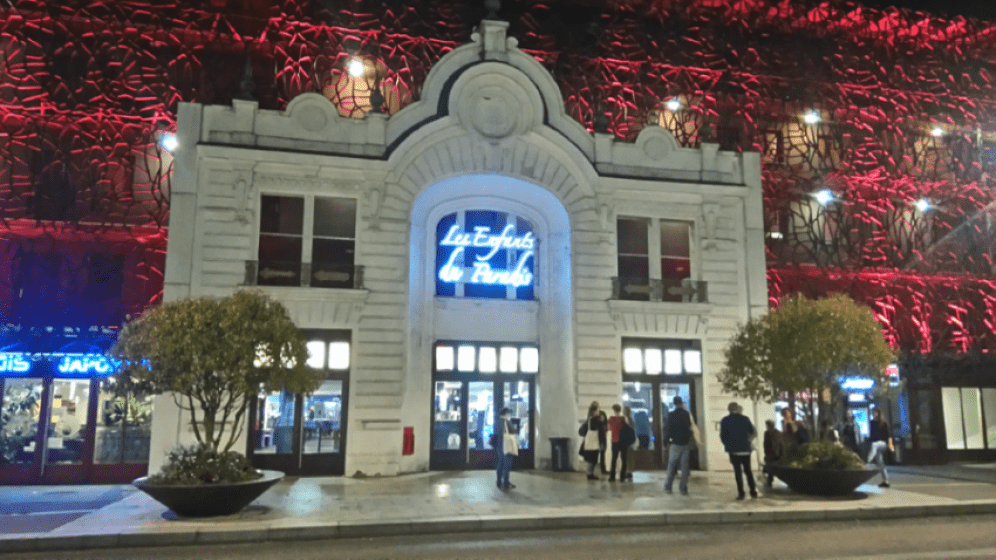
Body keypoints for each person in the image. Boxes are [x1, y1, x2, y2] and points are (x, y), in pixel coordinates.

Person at [720, 402, 758, 500]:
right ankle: (753, 491)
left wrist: (728, 444)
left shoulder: (725, 420)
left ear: (729, 409)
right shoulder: (745, 419)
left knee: (738, 472)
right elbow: (752, 432)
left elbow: (723, 436)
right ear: (737, 408)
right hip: (745, 449)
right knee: (748, 471)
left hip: (733, 450)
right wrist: (748, 441)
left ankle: (741, 493)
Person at [663, 395, 692, 495]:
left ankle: (668, 486)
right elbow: (689, 427)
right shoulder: (686, 414)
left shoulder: (671, 414)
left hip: (675, 443)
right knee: (684, 467)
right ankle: (683, 488)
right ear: (681, 402)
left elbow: (668, 429)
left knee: (671, 465)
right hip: (685, 443)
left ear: (674, 403)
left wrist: (666, 441)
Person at [579, 401, 606, 480]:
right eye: (598, 410)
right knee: (593, 458)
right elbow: (601, 433)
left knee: (590, 459)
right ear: (595, 411)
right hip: (595, 442)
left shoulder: (589, 420)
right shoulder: (598, 421)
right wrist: (602, 443)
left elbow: (581, 431)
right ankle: (590, 474)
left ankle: (589, 473)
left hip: (589, 442)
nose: (599, 411)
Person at [867, 407, 892, 488]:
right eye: (873, 413)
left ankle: (868, 461)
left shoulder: (884, 423)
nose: (874, 414)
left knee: (874, 445)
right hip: (875, 445)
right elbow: (871, 435)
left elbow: (889, 435)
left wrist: (891, 446)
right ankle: (886, 480)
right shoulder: (871, 423)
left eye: (875, 412)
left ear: (879, 413)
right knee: (880, 463)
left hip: (883, 444)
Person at [495, 407, 515, 490]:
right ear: (506, 414)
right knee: (507, 464)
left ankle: (499, 481)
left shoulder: (497, 422)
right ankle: (506, 482)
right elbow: (513, 431)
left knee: (500, 463)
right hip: (506, 445)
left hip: (499, 446)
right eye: (509, 414)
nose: (509, 415)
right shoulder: (506, 422)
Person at [607, 404, 628, 481]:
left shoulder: (611, 419)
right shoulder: (623, 419)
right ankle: (622, 476)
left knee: (614, 459)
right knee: (624, 459)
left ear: (614, 410)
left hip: (614, 440)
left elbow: (609, 428)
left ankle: (612, 476)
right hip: (623, 441)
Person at [762, 419, 783, 487]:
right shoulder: (773, 432)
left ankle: (770, 481)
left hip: (774, 453)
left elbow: (779, 443)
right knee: (771, 467)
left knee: (772, 467)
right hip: (772, 453)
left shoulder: (772, 433)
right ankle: (770, 480)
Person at [598, 409, 609, 475]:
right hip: (599, 440)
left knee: (602, 454)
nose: (602, 418)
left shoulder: (605, 424)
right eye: (600, 417)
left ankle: (603, 469)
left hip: (603, 440)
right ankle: (602, 469)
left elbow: (606, 431)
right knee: (599, 454)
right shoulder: (600, 424)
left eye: (603, 416)